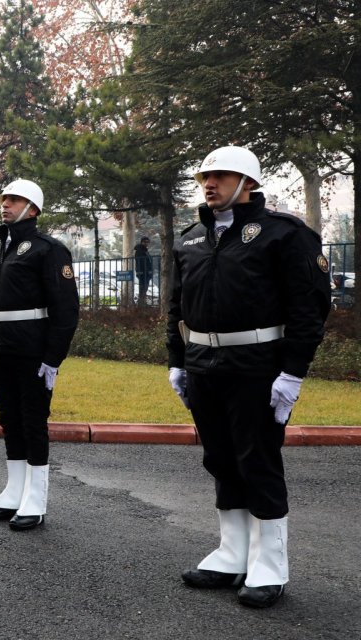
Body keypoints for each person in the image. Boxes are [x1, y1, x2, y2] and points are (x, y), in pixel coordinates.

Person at [168, 146, 330, 609]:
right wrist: (177, 360)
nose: (210, 184)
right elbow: (177, 307)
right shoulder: (192, 237)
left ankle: (270, 565)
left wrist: (293, 373)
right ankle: (232, 553)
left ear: (249, 183)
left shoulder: (284, 235)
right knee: (219, 459)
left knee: (256, 460)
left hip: (259, 367)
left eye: (221, 176)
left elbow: (308, 310)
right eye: (205, 177)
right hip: (204, 365)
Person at [0, 180, 80, 531]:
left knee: (33, 422)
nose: (5, 204)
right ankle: (14, 489)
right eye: (3, 198)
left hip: (33, 351)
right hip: (1, 349)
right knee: (9, 419)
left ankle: (35, 497)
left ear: (33, 209)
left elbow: (66, 310)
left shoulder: (47, 250)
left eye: (15, 200)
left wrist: (53, 358)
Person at [134, 236, 153, 306]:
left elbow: (149, 261)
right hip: (143, 273)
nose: (146, 243)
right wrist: (141, 272)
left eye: (148, 242)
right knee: (143, 288)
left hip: (147, 272)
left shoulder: (145, 250)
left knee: (145, 288)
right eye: (145, 242)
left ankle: (142, 303)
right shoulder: (139, 250)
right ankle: (141, 304)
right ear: (142, 242)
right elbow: (140, 262)